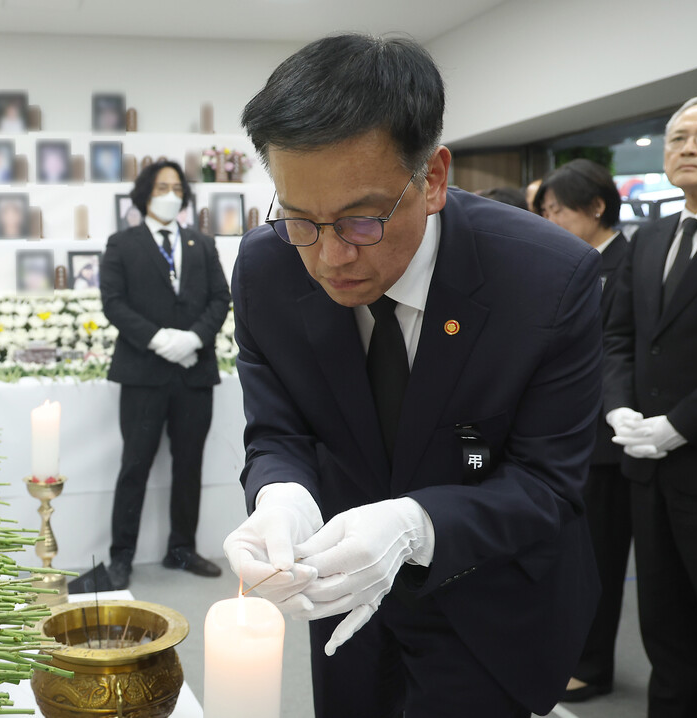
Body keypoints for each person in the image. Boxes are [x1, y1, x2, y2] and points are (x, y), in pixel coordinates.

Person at [222, 34, 602, 718]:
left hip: (490, 604)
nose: (330, 256)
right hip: (344, 605)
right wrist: (280, 496)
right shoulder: (267, 268)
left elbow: (550, 483)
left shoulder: (546, 279)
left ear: (431, 180)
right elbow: (277, 427)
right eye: (300, 219)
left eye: (361, 220)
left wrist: (413, 525)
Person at [603, 94, 697, 718]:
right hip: (647, 467)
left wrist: (678, 427)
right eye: (676, 139)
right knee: (664, 625)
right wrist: (618, 408)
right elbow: (619, 338)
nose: (687, 149)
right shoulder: (651, 236)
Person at [100, 160, 231, 590]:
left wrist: (192, 340)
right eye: (162, 186)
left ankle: (182, 548)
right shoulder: (122, 244)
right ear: (144, 194)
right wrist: (159, 340)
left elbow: (220, 297)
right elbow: (114, 303)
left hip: (194, 375)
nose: (171, 193)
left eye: (177, 187)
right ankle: (121, 557)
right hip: (143, 373)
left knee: (188, 464)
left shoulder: (201, 243)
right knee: (134, 465)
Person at [536, 158, 631, 702]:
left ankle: (593, 664)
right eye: (543, 210)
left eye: (557, 210)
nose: (548, 220)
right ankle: (573, 652)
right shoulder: (568, 262)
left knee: (599, 557)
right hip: (567, 433)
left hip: (607, 436)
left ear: (596, 207)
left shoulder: (625, 260)